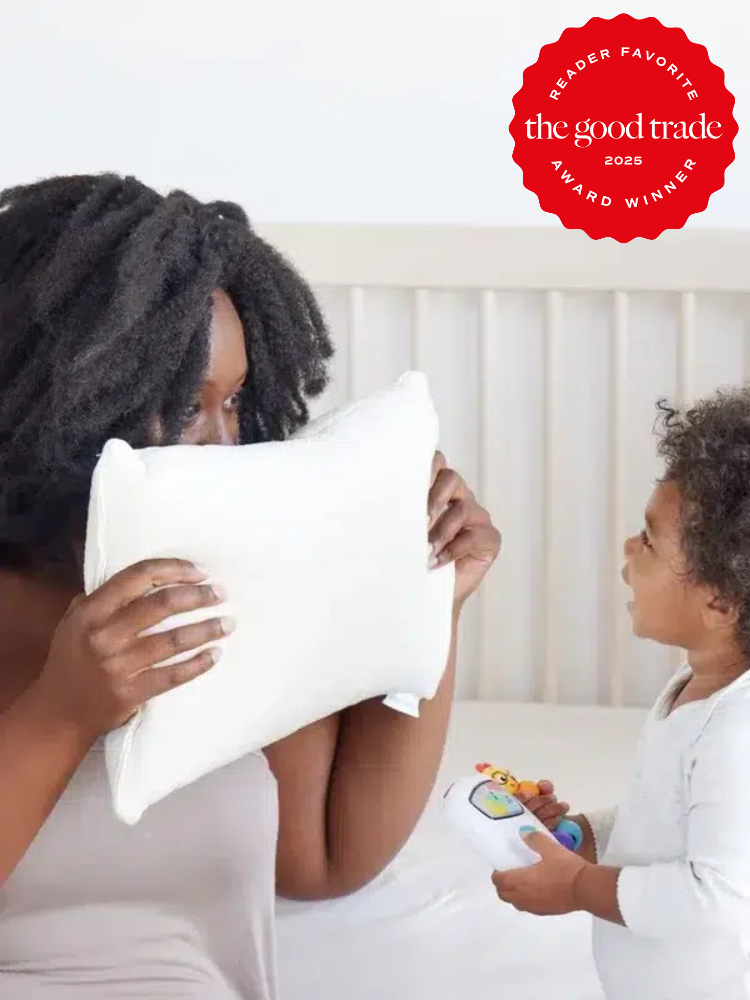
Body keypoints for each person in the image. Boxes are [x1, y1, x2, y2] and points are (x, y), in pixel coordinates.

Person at [0, 173, 501, 998]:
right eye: (182, 406)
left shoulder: (233, 582)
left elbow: (326, 858)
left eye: (232, 403)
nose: (223, 447)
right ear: (65, 395)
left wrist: (432, 604)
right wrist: (65, 711)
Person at [493, 388, 750, 999]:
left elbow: (715, 897)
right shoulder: (693, 688)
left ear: (719, 600)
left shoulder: (737, 730)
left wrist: (579, 888)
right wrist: (584, 836)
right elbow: (664, 826)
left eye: (649, 540)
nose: (628, 550)